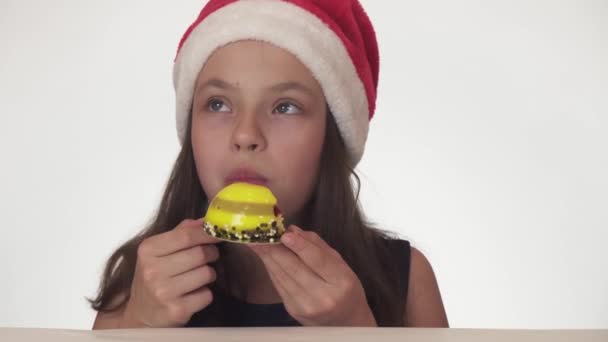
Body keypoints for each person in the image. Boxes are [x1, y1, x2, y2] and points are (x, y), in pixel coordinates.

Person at [90, 0, 448, 328]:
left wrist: (357, 329)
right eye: (217, 104)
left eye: (285, 107)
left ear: (331, 135)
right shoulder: (141, 279)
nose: (246, 135)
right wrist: (138, 328)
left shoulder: (407, 280)